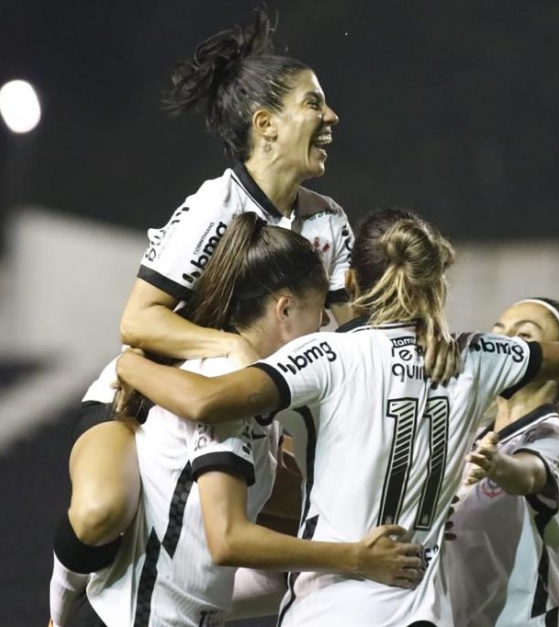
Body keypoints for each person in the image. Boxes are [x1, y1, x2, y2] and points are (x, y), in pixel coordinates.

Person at [114, 207, 559, 627]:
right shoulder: (473, 357)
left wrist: (129, 365)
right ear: (435, 286)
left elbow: (204, 401)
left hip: (330, 611)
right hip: (421, 613)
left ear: (350, 283)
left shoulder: (325, 355)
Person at [50, 9, 356, 626]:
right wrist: (233, 351)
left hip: (236, 418)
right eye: (314, 104)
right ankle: (62, 601)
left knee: (337, 536)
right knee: (101, 511)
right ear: (265, 125)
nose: (331, 117)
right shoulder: (211, 209)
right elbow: (138, 324)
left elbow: (346, 344)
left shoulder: (330, 223)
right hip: (142, 403)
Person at [69, 213, 424, 627]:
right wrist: (357, 559)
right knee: (97, 513)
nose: (325, 327)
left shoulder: (250, 388)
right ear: (285, 310)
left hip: (157, 616)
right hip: (135, 620)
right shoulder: (225, 381)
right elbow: (229, 540)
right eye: (318, 314)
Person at [443, 297, 559, 627]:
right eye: (500, 333)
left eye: (525, 336)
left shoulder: (553, 439)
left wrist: (499, 466)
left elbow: (527, 475)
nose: (505, 344)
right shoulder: (464, 441)